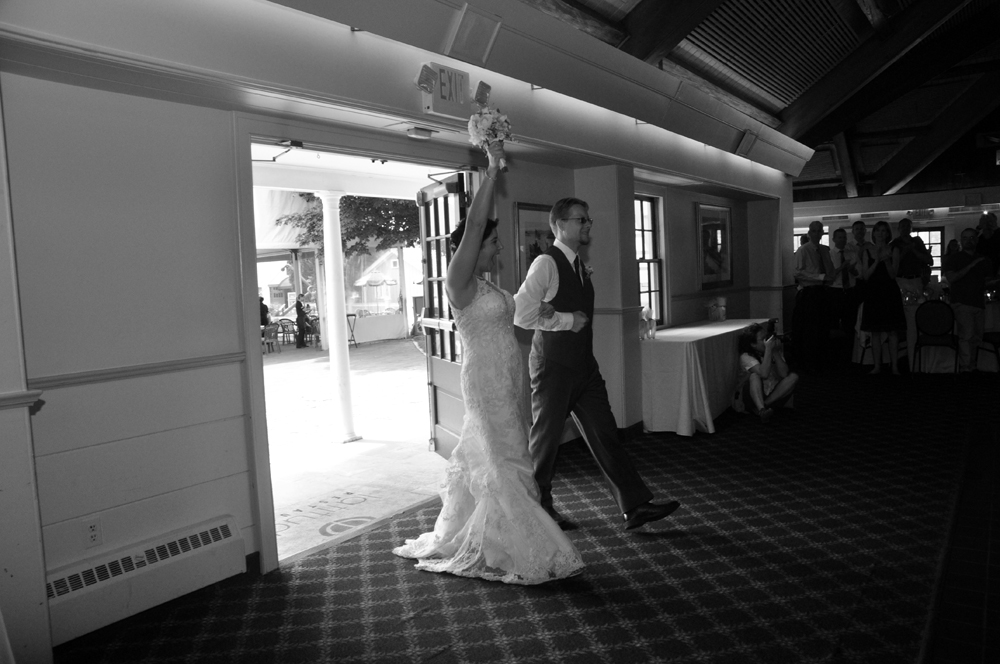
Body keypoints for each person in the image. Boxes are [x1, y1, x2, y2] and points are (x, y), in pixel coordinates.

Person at [393, 144, 584, 585]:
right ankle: (525, 546)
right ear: (473, 244)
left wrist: (560, 318)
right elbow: (477, 221)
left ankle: (492, 533)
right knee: (507, 458)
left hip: (506, 375)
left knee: (501, 453)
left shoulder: (487, 284)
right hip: (485, 379)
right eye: (494, 241)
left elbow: (521, 315)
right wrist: (493, 168)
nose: (498, 247)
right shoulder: (459, 282)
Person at [514, 198, 681, 532]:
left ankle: (634, 505)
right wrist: (565, 320)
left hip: (583, 366)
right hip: (553, 367)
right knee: (545, 442)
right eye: (580, 220)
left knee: (606, 432)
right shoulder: (546, 264)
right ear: (559, 225)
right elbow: (521, 313)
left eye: (588, 219)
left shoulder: (578, 264)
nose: (587, 224)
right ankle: (536, 509)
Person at [944, 228, 997, 373]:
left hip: (979, 302)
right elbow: (952, 278)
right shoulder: (954, 259)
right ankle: (965, 367)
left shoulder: (984, 260)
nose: (969, 240)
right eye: (966, 238)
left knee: (976, 337)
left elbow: (987, 281)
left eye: (972, 237)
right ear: (961, 240)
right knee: (966, 336)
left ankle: (972, 365)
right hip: (961, 302)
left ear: (977, 240)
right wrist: (972, 265)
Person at [792, 221, 839, 374]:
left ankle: (821, 360)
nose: (817, 234)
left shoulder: (824, 250)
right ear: (809, 232)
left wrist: (828, 278)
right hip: (809, 293)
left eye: (819, 231)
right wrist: (819, 277)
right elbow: (797, 273)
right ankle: (809, 362)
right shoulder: (803, 250)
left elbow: (830, 271)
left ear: (822, 233)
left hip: (823, 292)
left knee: (823, 328)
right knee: (810, 330)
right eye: (814, 231)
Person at [860, 220, 906, 375]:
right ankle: (877, 366)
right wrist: (877, 261)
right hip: (873, 293)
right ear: (873, 233)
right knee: (875, 332)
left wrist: (886, 260)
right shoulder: (867, 251)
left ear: (888, 234)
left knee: (893, 331)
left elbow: (893, 275)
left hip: (889, 292)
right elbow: (865, 276)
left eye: (884, 231)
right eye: (877, 230)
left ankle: (894, 366)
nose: (880, 233)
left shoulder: (894, 249)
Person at [733, 323, 798, 423]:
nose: (767, 341)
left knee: (793, 377)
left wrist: (775, 352)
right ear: (753, 344)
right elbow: (764, 374)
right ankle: (761, 408)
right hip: (752, 396)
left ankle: (764, 408)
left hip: (772, 394)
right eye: (763, 339)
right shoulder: (746, 357)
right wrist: (768, 350)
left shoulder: (771, 350)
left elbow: (784, 374)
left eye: (767, 337)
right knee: (754, 376)